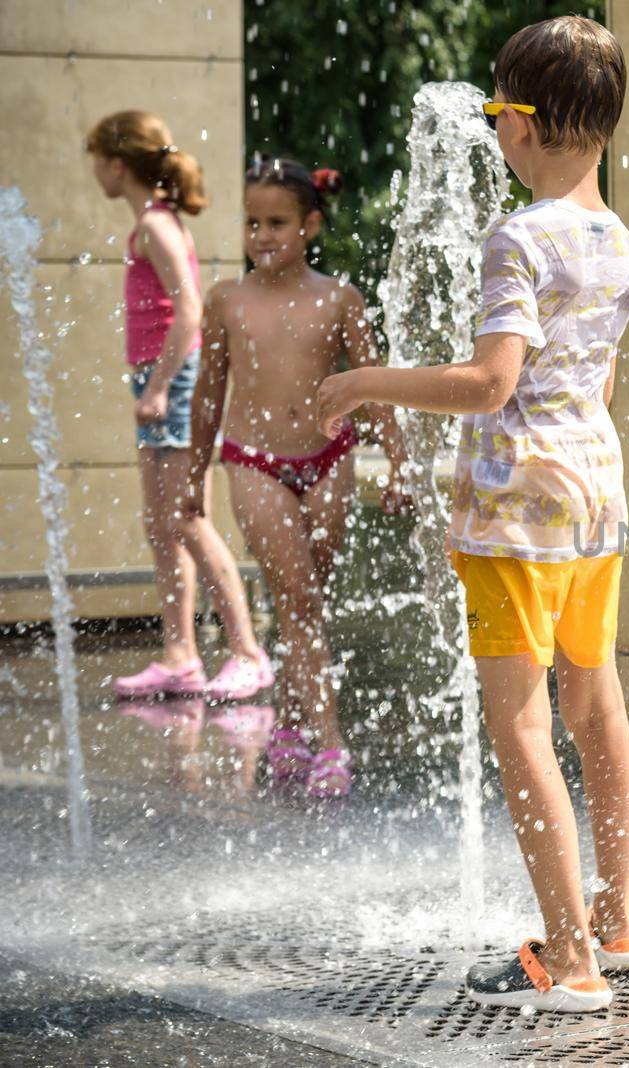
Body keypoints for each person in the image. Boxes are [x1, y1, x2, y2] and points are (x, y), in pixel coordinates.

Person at [315, 15, 629, 1011]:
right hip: (595, 496)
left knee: (519, 729)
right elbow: (598, 379)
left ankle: (569, 957)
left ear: (521, 126)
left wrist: (364, 382)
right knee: (596, 707)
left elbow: (489, 383)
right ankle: (619, 921)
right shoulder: (616, 238)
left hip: (515, 516)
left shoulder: (518, 237)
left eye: (501, 109)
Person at [185, 158, 411, 799]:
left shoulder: (339, 298)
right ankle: (331, 743)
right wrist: (195, 472)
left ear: (310, 225)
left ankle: (287, 720)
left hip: (329, 457)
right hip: (254, 461)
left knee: (305, 598)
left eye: (277, 222)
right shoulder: (227, 300)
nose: (261, 235)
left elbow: (372, 391)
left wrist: (396, 462)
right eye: (252, 222)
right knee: (301, 598)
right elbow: (209, 391)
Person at [86, 110, 269, 702]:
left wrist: (161, 387)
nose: (94, 172)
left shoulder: (157, 226)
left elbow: (189, 312)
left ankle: (246, 651)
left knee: (186, 520)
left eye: (96, 160)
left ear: (117, 164)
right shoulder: (151, 221)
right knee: (161, 526)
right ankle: (180, 654)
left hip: (172, 380)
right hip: (158, 379)